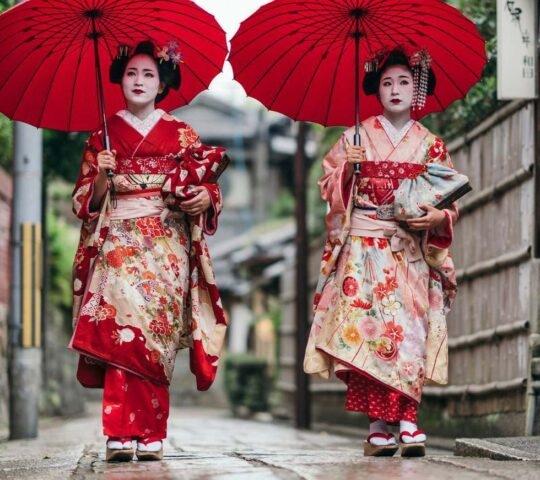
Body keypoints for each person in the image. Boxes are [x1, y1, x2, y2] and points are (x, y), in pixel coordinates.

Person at [69, 40, 228, 462]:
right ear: (119, 80)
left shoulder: (182, 133)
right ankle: (120, 431)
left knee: (154, 336)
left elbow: (206, 185)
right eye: (132, 74)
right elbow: (84, 201)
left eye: (148, 75)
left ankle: (152, 430)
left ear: (162, 84)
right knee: (122, 333)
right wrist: (102, 176)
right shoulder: (102, 136)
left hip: (166, 242)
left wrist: (203, 198)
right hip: (118, 242)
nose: (139, 82)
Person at [304, 48, 460, 457]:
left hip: (407, 245)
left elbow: (448, 198)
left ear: (417, 89)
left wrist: (436, 217)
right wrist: (347, 170)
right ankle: (376, 425)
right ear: (376, 88)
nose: (395, 90)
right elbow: (327, 189)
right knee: (367, 330)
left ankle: (408, 420)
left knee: (409, 331)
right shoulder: (354, 138)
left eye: (404, 82)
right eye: (387, 82)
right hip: (362, 245)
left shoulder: (431, 145)